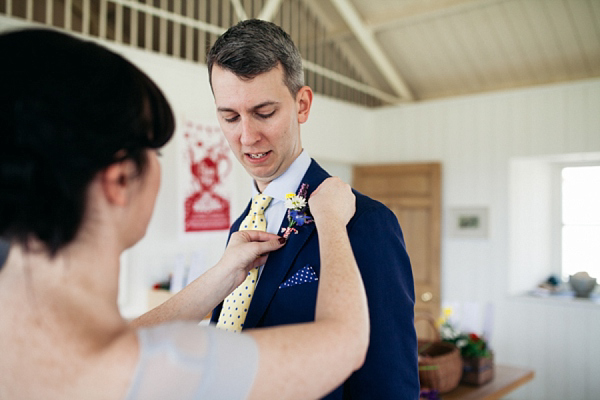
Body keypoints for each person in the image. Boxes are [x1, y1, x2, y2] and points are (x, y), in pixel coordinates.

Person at [0, 28, 369, 399]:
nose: (247, 136)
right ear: (120, 179)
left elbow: (128, 336)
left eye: (265, 112)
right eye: (155, 152)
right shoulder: (162, 366)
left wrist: (222, 275)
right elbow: (346, 340)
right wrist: (332, 223)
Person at [206, 19, 420, 399]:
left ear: (302, 104)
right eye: (230, 117)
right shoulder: (242, 226)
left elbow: (389, 384)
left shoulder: (366, 224)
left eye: (264, 112)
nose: (247, 136)